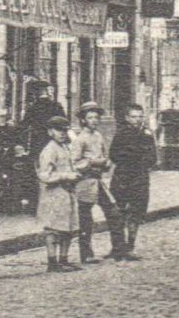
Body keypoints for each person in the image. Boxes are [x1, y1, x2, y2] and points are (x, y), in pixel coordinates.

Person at [108, 103, 157, 257]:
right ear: (127, 118)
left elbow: (153, 158)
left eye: (140, 116)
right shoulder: (121, 134)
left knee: (136, 212)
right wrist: (131, 158)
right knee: (118, 212)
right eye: (134, 117)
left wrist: (138, 161)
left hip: (140, 177)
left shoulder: (147, 134)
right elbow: (113, 154)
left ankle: (130, 246)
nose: (137, 120)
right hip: (122, 176)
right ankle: (117, 247)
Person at [70, 102, 114, 264]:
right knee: (86, 220)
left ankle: (118, 248)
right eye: (90, 117)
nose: (94, 120)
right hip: (85, 183)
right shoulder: (80, 139)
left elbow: (105, 155)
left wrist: (106, 163)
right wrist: (93, 162)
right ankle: (86, 254)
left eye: (96, 117)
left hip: (98, 182)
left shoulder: (98, 136)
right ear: (83, 120)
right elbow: (74, 164)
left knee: (113, 212)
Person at [37, 114, 78, 273]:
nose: (62, 133)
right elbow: (44, 175)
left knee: (68, 227)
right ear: (50, 132)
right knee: (53, 229)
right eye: (58, 130)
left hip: (68, 192)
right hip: (54, 193)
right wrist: (65, 176)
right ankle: (52, 261)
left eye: (64, 130)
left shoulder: (65, 147)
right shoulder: (49, 150)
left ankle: (64, 259)